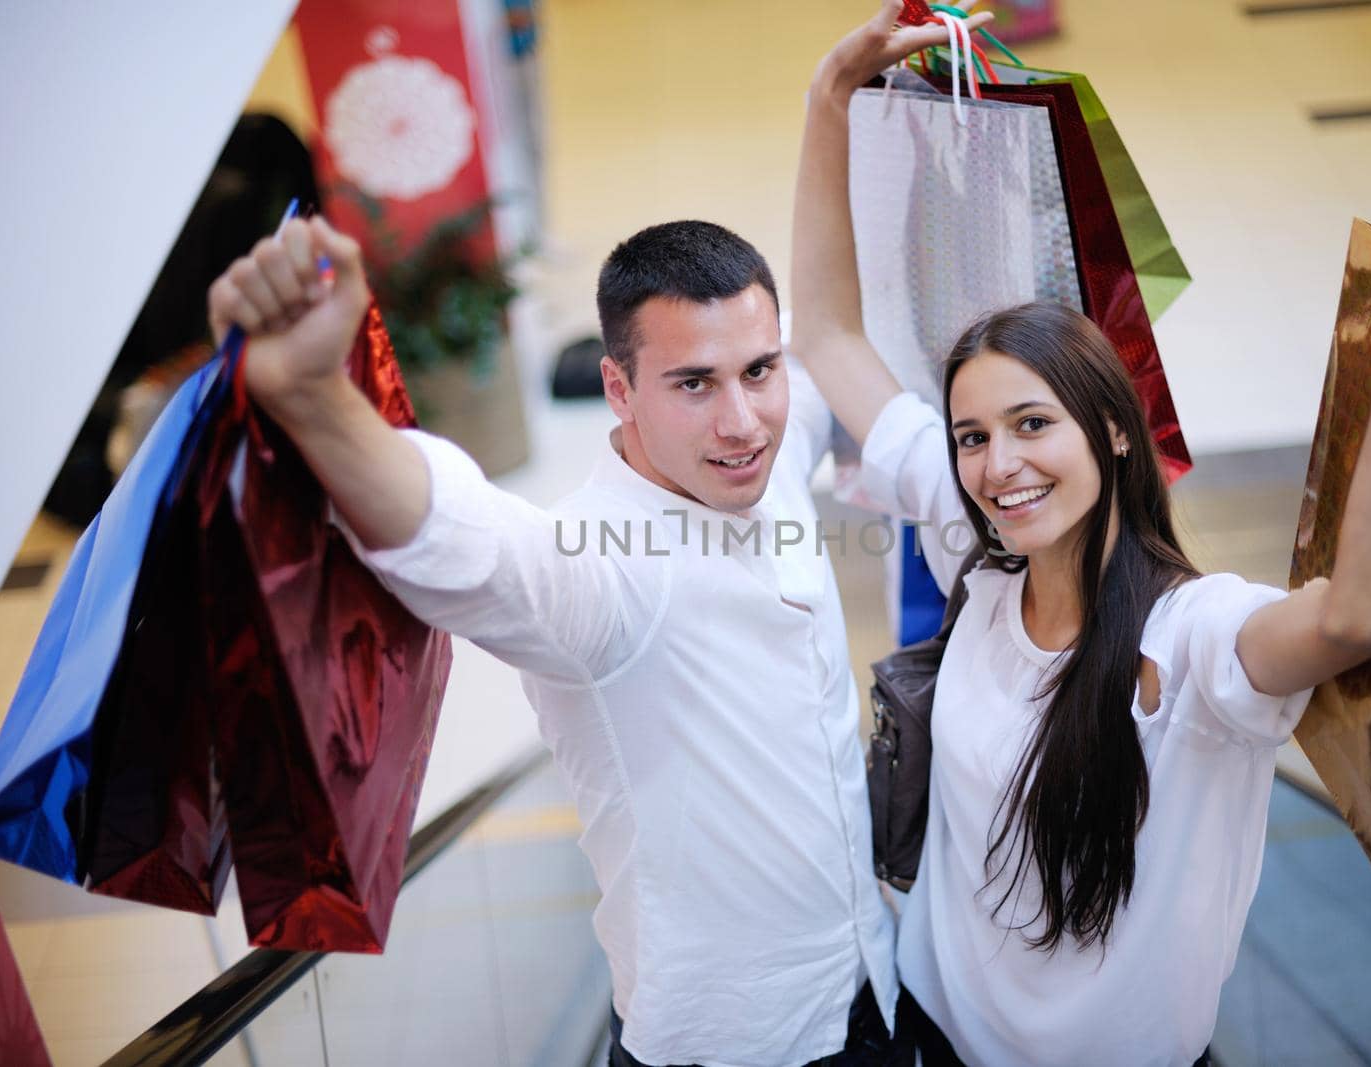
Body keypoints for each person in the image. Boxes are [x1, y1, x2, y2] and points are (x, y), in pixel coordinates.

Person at [789, 3, 1371, 1065]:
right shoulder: (973, 551)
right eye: (971, 434)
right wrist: (828, 100)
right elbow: (831, 333)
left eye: (1033, 424)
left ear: (1115, 428)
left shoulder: (1196, 641)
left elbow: (1361, 607)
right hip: (927, 1038)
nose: (997, 463)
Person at [207, 216, 919, 1065]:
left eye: (757, 370)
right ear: (618, 388)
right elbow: (469, 544)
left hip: (871, 984)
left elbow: (831, 333)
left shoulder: (772, 437)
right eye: (693, 384)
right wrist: (316, 397)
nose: (742, 421)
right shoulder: (598, 572)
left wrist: (831, 96)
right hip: (733, 1047)